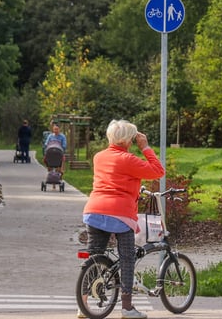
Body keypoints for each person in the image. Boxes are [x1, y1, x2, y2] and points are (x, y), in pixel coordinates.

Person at [80, 120, 164, 319]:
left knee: (93, 256)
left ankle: (82, 306)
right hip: (120, 214)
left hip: (93, 210)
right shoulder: (129, 159)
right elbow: (158, 171)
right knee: (127, 258)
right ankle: (127, 309)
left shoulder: (98, 157)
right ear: (128, 140)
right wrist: (145, 147)